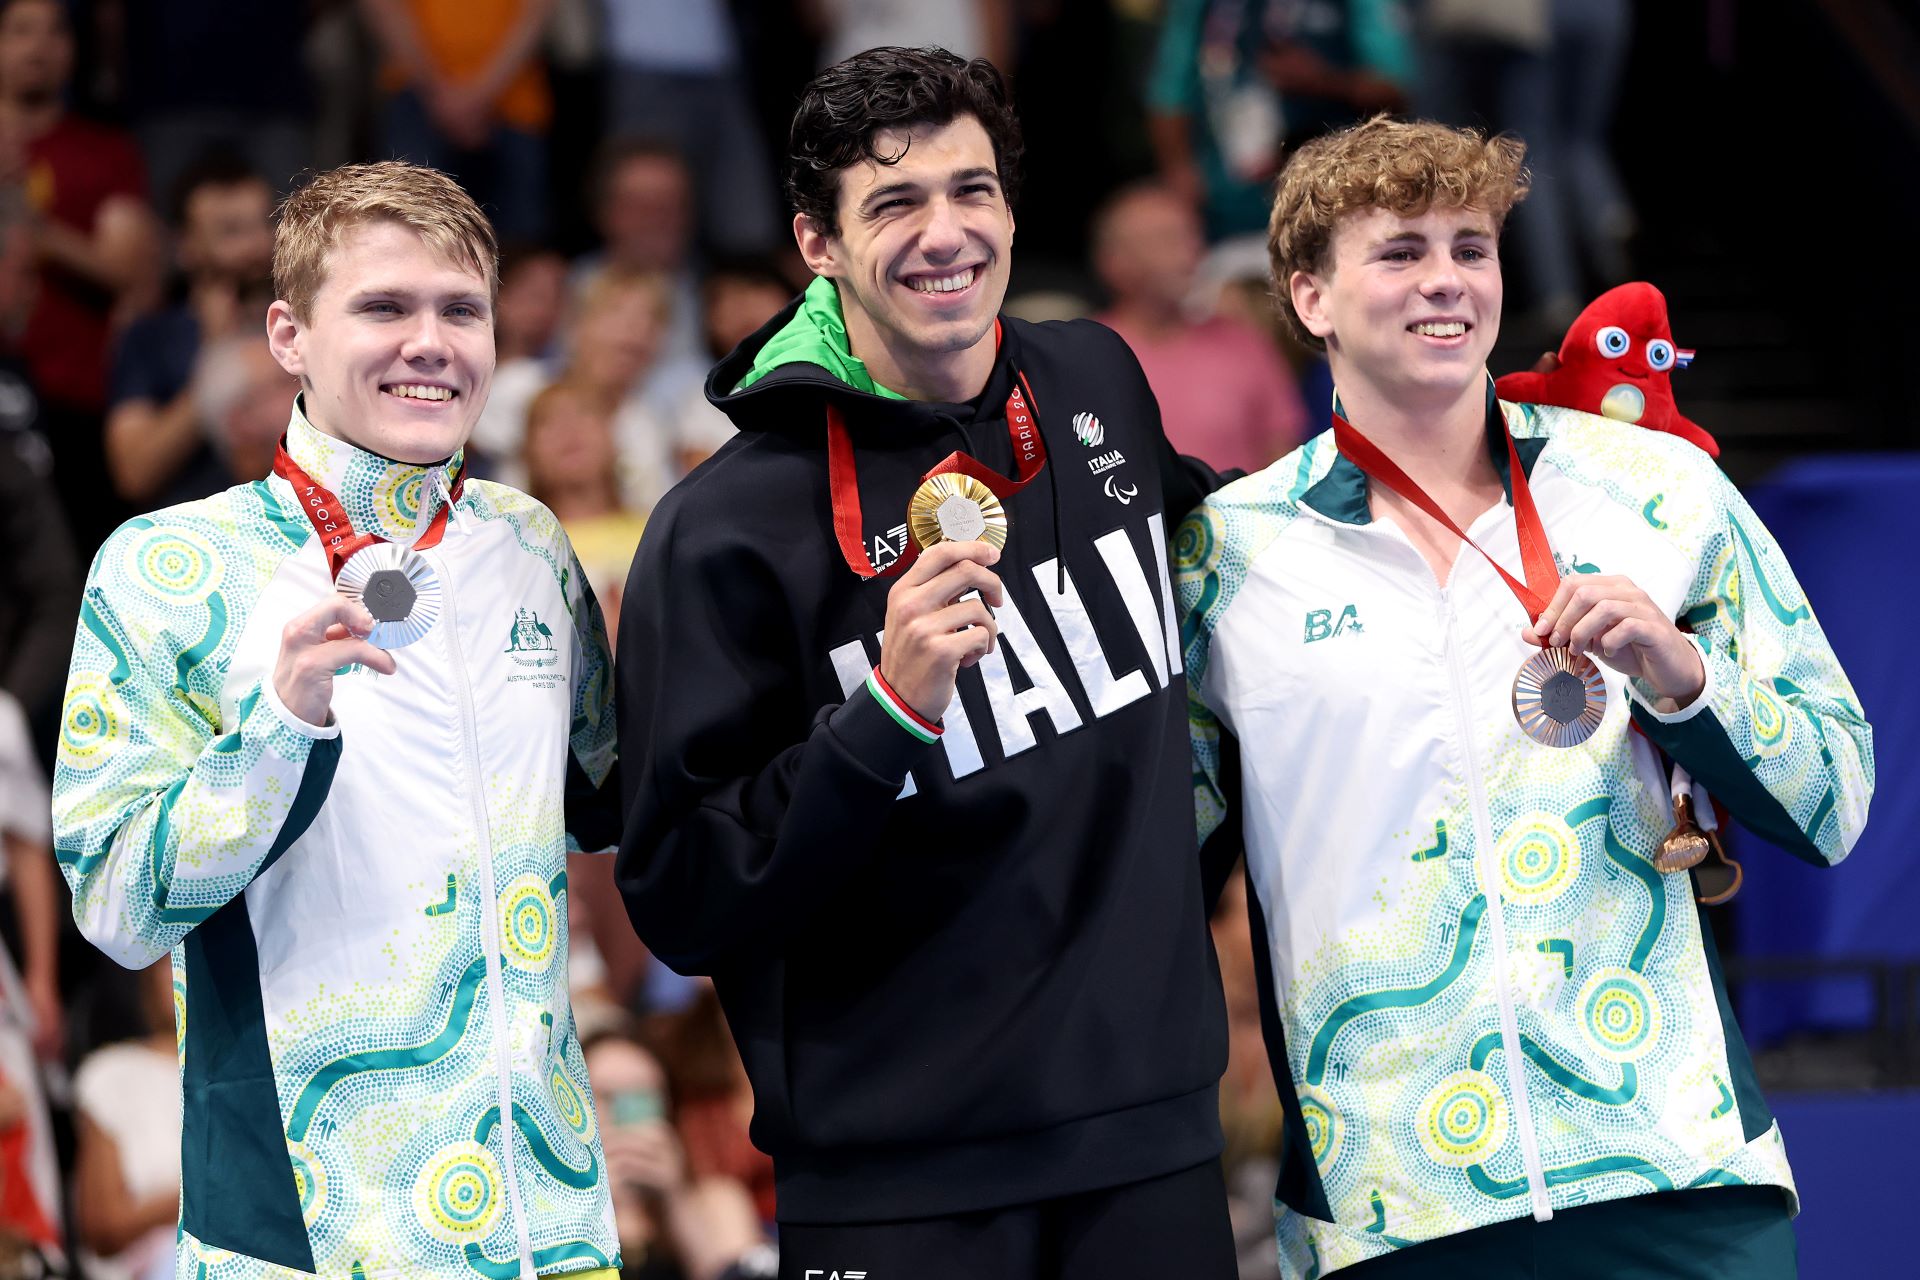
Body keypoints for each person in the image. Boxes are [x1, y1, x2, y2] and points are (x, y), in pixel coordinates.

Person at [1176, 116, 1875, 1279]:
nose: (1446, 279)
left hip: (1675, 1174)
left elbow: (1838, 795)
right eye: (1400, 252)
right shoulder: (1224, 559)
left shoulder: (1660, 489)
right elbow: (1148, 862)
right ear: (1308, 297)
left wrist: (1690, 680)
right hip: (1395, 1207)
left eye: (1472, 246)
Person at [615, 46, 1235, 1280]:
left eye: (973, 190)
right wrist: (883, 714)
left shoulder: (1093, 378)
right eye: (894, 203)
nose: (944, 233)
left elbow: (1236, 578)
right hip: (902, 1181)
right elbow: (684, 891)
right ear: (818, 243)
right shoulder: (726, 527)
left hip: (1154, 1136)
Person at [51, 160, 623, 1279]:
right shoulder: (168, 568)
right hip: (310, 1231)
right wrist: (279, 724)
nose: (431, 340)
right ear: (288, 335)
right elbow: (115, 907)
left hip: (551, 1223)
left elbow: (620, 806)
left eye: (462, 309)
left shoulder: (531, 545)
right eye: (384, 306)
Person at [0, 0, 163, 548]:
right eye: (21, 31)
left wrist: (29, 218)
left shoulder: (102, 152)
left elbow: (134, 277)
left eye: (54, 33)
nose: (38, 48)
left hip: (73, 400)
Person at [1093, 180, 1306, 474]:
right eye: (1167, 238)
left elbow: (1283, 455)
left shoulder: (1243, 342)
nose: (1191, 250)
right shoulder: (1085, 354)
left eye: (1192, 235)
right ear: (1114, 262)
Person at [105, 151, 277, 508]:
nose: (257, 245)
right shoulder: (151, 338)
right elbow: (134, 472)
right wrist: (216, 357)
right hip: (194, 539)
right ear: (185, 247)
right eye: (231, 232)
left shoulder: (307, 325)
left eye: (265, 223)